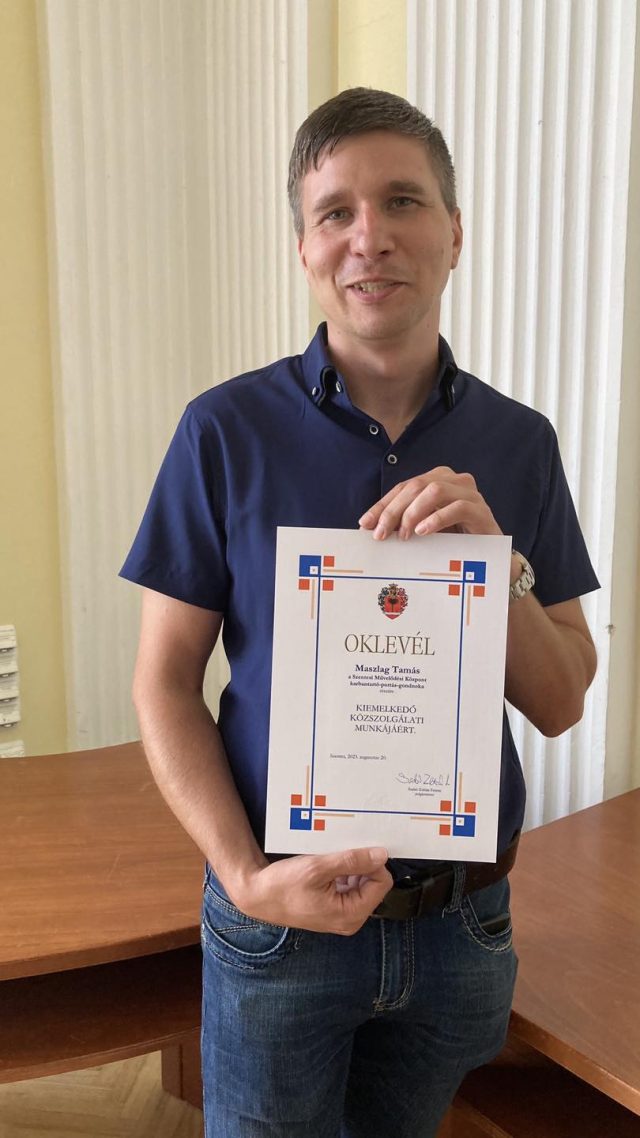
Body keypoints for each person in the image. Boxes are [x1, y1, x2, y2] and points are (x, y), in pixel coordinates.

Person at [121, 87, 598, 1137]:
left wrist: (495, 562)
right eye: (335, 211)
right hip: (280, 924)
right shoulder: (222, 431)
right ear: (304, 248)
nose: (368, 236)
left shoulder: (520, 444)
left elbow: (562, 698)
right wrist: (244, 878)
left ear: (455, 232)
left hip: (459, 927)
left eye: (402, 201)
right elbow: (162, 683)